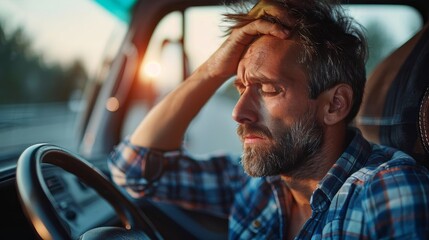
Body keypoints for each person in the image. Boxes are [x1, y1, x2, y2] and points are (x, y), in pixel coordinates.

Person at [108, 0, 429, 238]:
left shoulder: (386, 190)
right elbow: (133, 169)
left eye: (269, 89)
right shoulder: (256, 187)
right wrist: (212, 69)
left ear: (335, 105)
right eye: (240, 87)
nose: (239, 112)